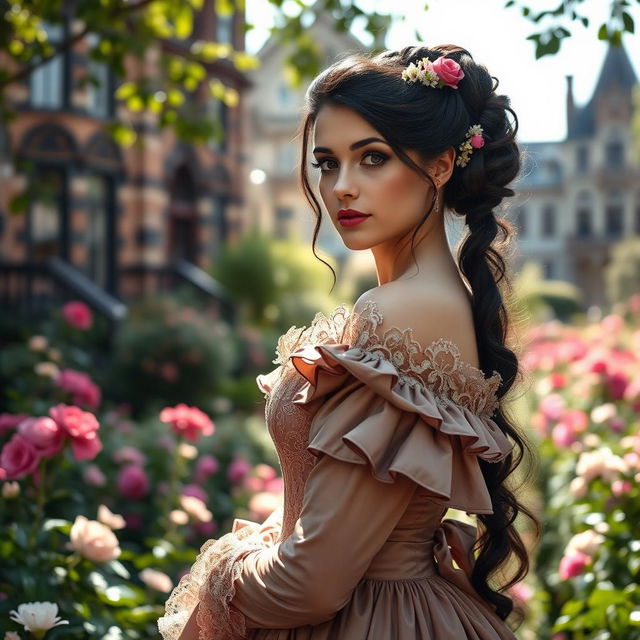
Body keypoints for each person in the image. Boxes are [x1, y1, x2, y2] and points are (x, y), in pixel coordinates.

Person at [158, 43, 542, 640]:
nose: (341, 187)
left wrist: (217, 576)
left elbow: (309, 584)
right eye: (328, 162)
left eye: (372, 158)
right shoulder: (423, 299)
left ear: (441, 165)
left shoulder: (403, 310)